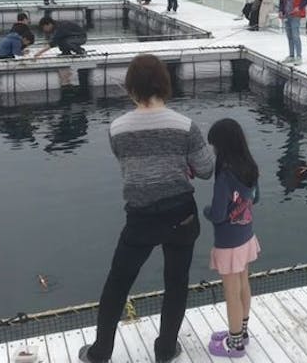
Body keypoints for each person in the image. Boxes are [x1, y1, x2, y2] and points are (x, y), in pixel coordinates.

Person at [78, 54, 214, 363]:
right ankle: (165, 350)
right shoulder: (185, 126)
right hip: (182, 213)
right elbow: (205, 169)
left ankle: (100, 352)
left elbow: (128, 165)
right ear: (165, 84)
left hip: (140, 217)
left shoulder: (117, 128)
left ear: (131, 87)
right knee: (176, 282)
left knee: (117, 283)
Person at [205, 119, 260, 358]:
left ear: (222, 147)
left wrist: (205, 211)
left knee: (230, 292)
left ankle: (234, 343)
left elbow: (217, 214)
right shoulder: (250, 167)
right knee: (243, 285)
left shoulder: (225, 177)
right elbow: (255, 199)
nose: (214, 151)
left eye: (214, 146)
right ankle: (241, 331)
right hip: (246, 236)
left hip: (228, 243)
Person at [278, 0, 307, 64]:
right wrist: (281, 11)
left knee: (295, 35)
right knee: (289, 36)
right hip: (287, 15)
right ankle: (291, 55)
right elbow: (282, 1)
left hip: (296, 15)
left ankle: (299, 56)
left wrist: (299, 7)